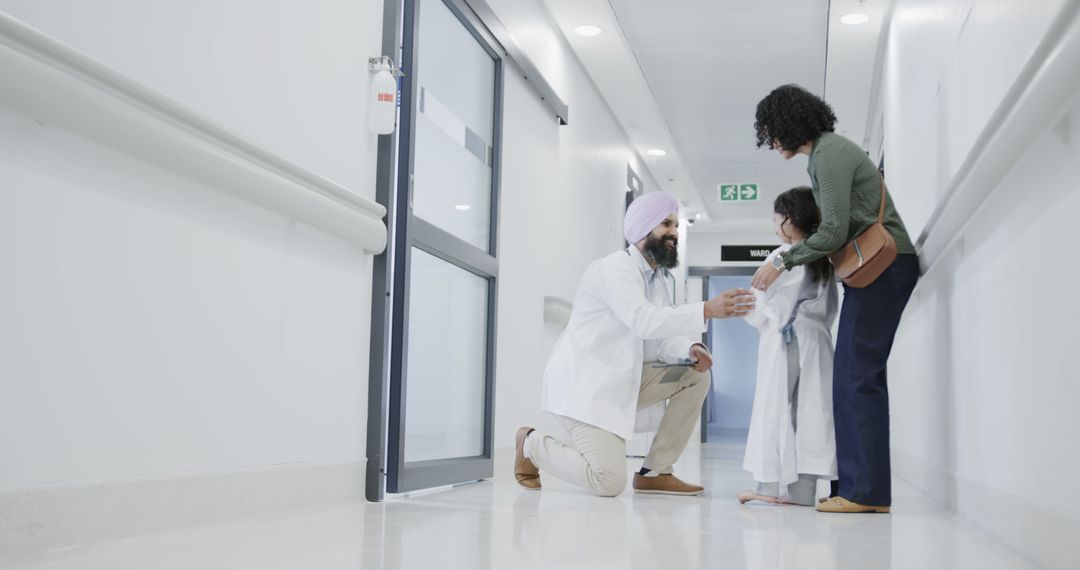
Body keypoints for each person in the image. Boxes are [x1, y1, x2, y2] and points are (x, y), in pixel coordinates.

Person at [514, 192, 755, 497]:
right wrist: (706, 309)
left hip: (622, 384)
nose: (674, 232)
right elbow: (643, 320)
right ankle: (532, 444)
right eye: (666, 224)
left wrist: (692, 348)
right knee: (609, 481)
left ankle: (655, 471)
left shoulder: (658, 278)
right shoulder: (613, 269)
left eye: (676, 225)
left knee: (695, 375)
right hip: (586, 389)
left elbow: (662, 335)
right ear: (643, 228)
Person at [750, 84, 919, 514]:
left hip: (885, 266)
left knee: (854, 379)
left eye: (771, 131)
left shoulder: (828, 155)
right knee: (858, 377)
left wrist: (782, 262)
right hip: (881, 268)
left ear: (790, 123)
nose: (770, 141)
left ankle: (863, 492)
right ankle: (868, 490)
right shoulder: (826, 155)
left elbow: (832, 231)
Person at [739, 187, 838, 507]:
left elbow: (757, 306)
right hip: (817, 340)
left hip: (787, 340)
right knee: (811, 411)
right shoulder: (824, 258)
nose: (774, 224)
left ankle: (766, 487)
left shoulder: (783, 256)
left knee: (775, 409)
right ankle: (802, 492)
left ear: (790, 220)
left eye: (776, 218)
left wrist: (743, 308)